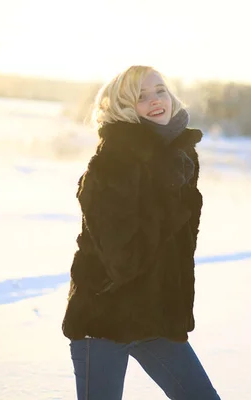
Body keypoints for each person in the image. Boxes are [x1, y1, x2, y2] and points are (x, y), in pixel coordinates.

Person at [62, 65, 220, 400]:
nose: (155, 100)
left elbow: (177, 249)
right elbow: (124, 258)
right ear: (123, 107)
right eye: (141, 97)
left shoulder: (177, 156)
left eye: (159, 90)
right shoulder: (114, 162)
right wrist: (171, 197)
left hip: (154, 321)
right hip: (102, 322)